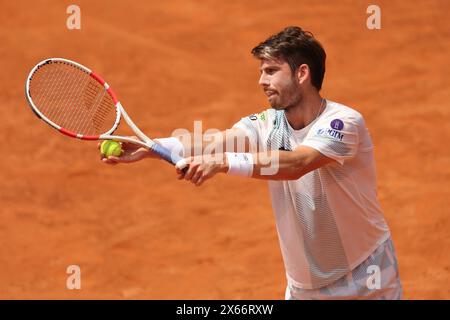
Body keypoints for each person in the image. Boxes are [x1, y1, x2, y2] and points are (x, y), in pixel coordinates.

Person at [101, 26, 403, 300]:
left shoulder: (343, 122)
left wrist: (224, 163)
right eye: (261, 71)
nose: (262, 81)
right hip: (304, 289)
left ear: (302, 74)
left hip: (367, 279)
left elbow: (299, 163)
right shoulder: (265, 124)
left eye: (271, 70)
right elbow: (214, 141)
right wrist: (152, 146)